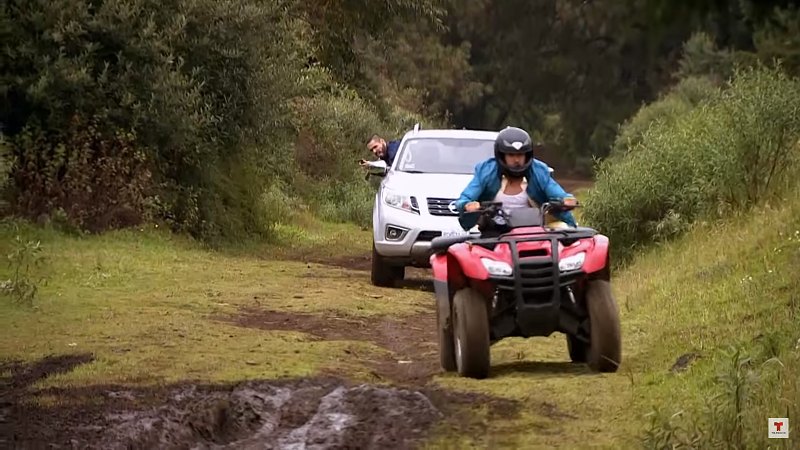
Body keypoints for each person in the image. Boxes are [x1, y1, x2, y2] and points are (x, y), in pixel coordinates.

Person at [454, 126, 578, 232]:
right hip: (494, 232)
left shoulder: (539, 171)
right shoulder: (486, 171)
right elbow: (463, 199)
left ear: (527, 155)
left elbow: (555, 191)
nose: (517, 160)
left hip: (534, 232)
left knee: (565, 236)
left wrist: (567, 200)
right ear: (501, 155)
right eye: (511, 155)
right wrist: (467, 205)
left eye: (520, 155)